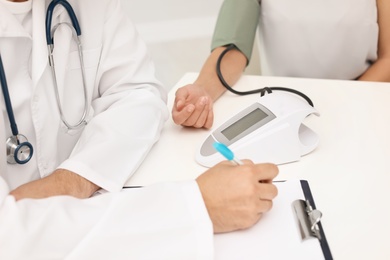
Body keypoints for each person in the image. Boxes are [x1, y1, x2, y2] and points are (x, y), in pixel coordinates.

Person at [0, 0, 278, 258]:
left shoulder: (91, 6)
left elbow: (139, 92)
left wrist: (71, 181)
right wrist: (195, 207)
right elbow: (11, 236)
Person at [172, 0, 390, 129]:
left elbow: (388, 58)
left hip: (362, 105)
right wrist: (202, 92)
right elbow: (233, 47)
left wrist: (340, 103)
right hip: (284, 109)